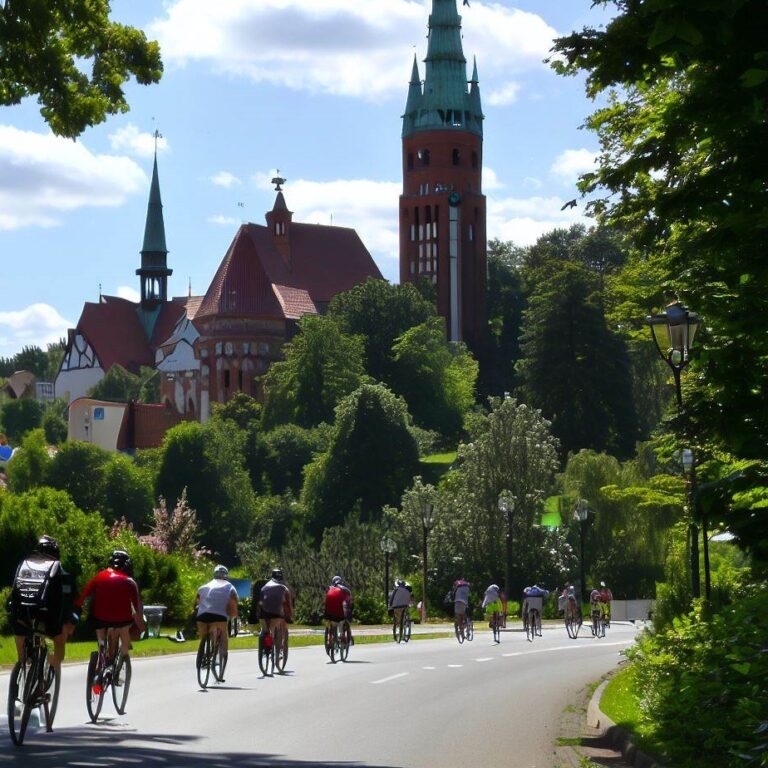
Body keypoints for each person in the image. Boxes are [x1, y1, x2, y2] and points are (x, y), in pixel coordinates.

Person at [9, 535, 77, 674]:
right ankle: (47, 676)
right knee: (53, 648)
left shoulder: (25, 564)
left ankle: (22, 667)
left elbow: (13, 593)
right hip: (47, 621)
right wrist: (67, 623)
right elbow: (65, 603)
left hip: (21, 615)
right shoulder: (60, 572)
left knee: (22, 652)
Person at [75, 550, 146, 663]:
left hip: (99, 619)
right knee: (124, 633)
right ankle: (122, 655)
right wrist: (142, 627)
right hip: (122, 620)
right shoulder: (130, 582)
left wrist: (77, 609)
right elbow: (137, 609)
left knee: (99, 628)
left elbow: (83, 596)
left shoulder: (99, 576)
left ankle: (102, 647)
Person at [195, 564, 238, 668]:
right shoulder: (230, 587)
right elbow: (234, 603)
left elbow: (196, 603)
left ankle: (203, 650)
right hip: (219, 617)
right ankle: (220, 657)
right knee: (223, 636)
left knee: (204, 634)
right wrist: (233, 615)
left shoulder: (203, 587)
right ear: (226, 576)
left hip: (201, 616)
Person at [258, 568, 293, 640]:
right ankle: (279, 644)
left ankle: (263, 638)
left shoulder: (264, 588)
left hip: (264, 614)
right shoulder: (284, 588)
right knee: (275, 627)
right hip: (277, 614)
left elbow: (260, 603)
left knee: (265, 629)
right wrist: (289, 616)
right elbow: (287, 604)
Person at [324, 575, 353, 645]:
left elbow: (325, 600)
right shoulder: (345, 590)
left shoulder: (329, 588)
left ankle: (330, 637)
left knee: (331, 623)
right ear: (341, 582)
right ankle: (343, 636)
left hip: (329, 613)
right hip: (340, 614)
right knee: (344, 621)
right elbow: (348, 602)